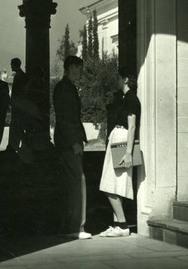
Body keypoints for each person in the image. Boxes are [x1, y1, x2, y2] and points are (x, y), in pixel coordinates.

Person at [99, 67, 141, 237]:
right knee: (114, 184)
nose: (116, 80)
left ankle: (123, 225)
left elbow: (132, 127)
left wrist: (129, 153)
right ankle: (118, 224)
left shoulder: (131, 99)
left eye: (118, 77)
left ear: (125, 80)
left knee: (110, 184)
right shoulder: (124, 98)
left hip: (123, 140)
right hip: (118, 138)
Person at [53, 55, 91, 240]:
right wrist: (75, 142)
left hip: (68, 142)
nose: (81, 72)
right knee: (77, 181)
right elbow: (66, 118)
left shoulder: (66, 88)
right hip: (69, 143)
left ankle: (70, 226)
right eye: (78, 68)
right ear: (70, 68)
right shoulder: (64, 89)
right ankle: (76, 227)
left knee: (71, 183)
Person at [6, 57, 29, 152]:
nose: (11, 66)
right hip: (19, 106)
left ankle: (13, 146)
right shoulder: (21, 76)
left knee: (16, 126)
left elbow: (18, 92)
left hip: (18, 107)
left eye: (12, 64)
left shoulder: (20, 76)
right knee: (18, 127)